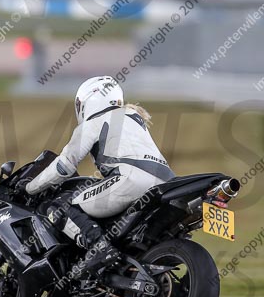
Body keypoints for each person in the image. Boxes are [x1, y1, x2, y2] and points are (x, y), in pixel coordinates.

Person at [17, 76, 174, 278]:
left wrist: (29, 188)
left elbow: (63, 167)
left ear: (88, 101)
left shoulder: (93, 123)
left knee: (59, 206)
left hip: (129, 180)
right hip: (166, 183)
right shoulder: (135, 119)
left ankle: (99, 249)